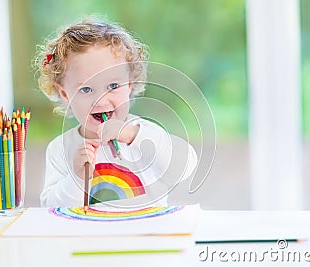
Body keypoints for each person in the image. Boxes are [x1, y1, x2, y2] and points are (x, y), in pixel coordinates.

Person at [36, 17, 197, 207]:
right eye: (86, 89)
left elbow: (185, 166)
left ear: (129, 85)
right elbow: (51, 209)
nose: (101, 100)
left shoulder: (143, 133)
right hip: (91, 236)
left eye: (113, 85)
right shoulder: (61, 149)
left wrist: (132, 135)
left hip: (147, 233)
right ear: (65, 94)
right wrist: (77, 178)